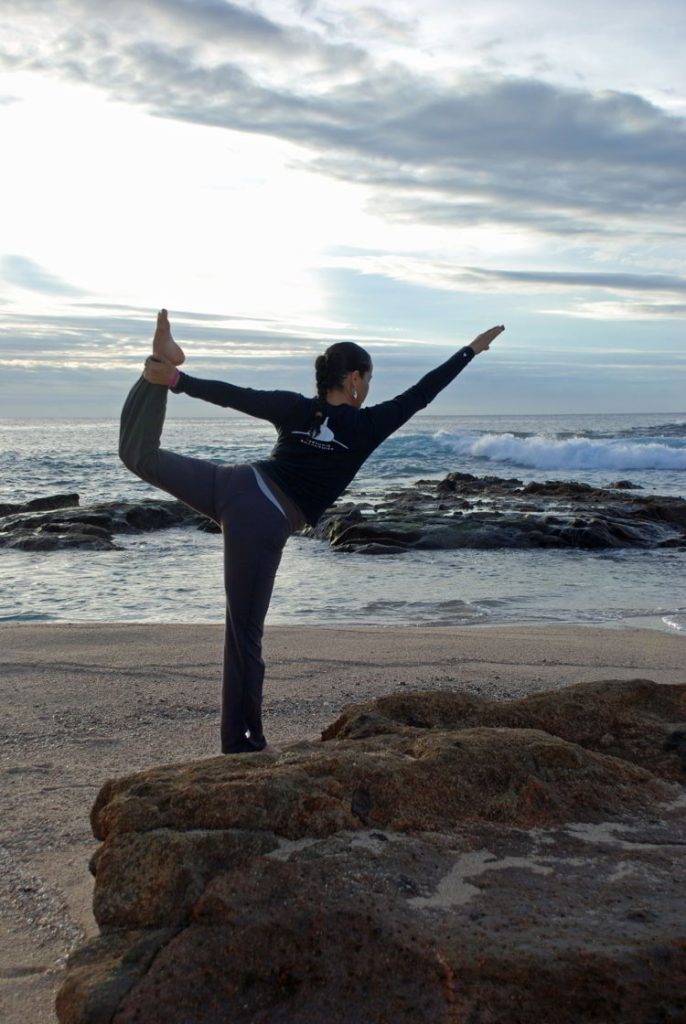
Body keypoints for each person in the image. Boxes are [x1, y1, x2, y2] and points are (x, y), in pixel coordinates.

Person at [119, 310, 504, 754]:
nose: (368, 389)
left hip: (232, 483)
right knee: (244, 631)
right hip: (262, 516)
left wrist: (177, 381)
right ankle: (244, 742)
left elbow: (236, 396)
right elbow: (423, 392)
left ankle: (155, 367)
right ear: (355, 379)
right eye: (368, 380)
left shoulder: (297, 407)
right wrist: (470, 351)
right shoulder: (367, 425)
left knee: (140, 454)